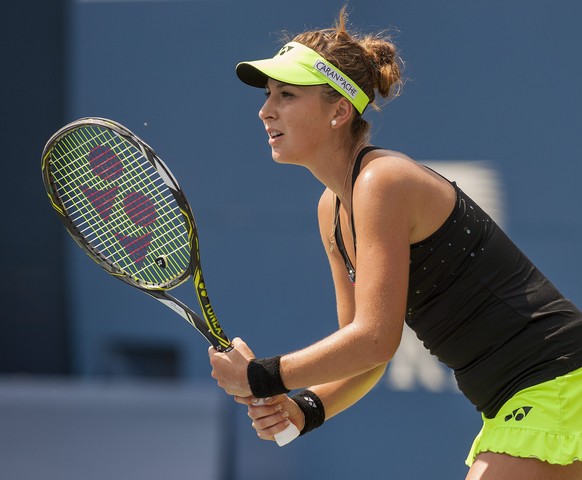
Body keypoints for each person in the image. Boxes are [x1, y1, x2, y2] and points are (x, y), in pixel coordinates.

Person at [208, 7, 582, 479]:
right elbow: (362, 355)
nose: (266, 109)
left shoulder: (383, 181)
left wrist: (263, 375)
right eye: (267, 95)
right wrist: (307, 408)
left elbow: (376, 340)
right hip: (532, 393)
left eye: (286, 95)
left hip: (556, 384)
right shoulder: (332, 209)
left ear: (339, 111)